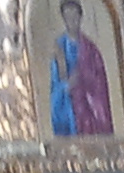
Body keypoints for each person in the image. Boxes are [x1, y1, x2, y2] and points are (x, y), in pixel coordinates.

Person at [48, 0, 113, 137]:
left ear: (80, 16)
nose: (72, 20)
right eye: (68, 16)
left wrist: (85, 78)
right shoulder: (59, 49)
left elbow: (101, 86)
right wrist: (66, 86)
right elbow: (54, 89)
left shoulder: (91, 50)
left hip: (87, 115)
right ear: (63, 18)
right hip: (68, 115)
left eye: (75, 15)